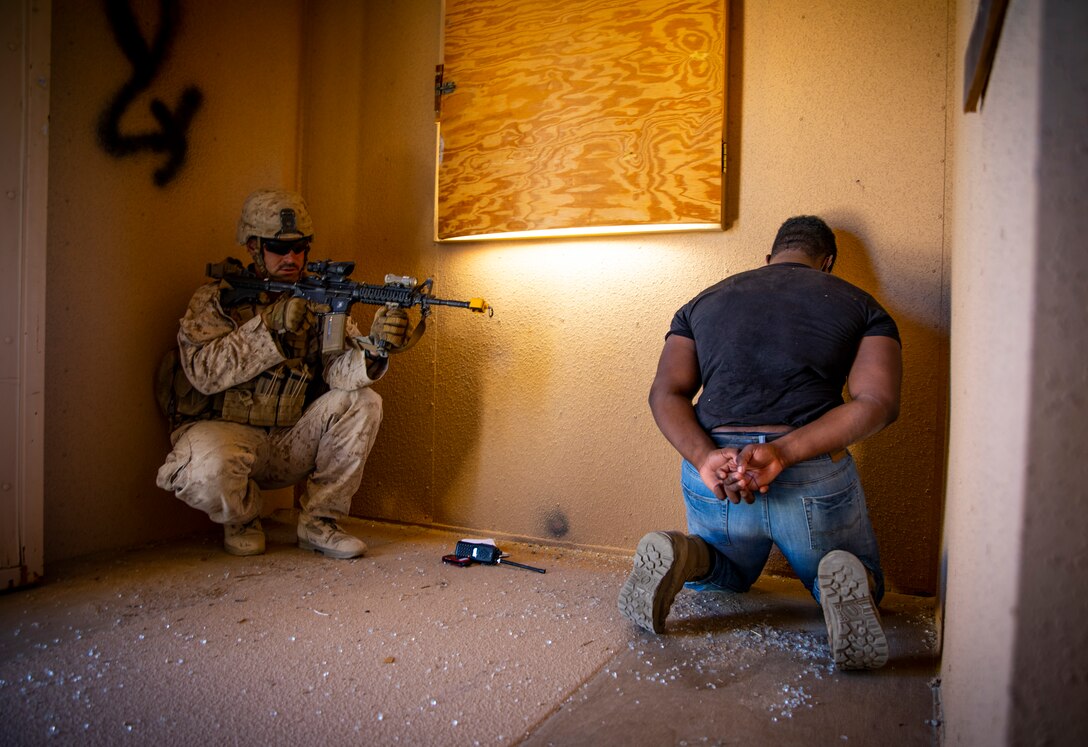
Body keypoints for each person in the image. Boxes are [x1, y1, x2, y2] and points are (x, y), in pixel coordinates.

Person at [618, 215, 902, 670]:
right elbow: (878, 403)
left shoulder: (700, 303)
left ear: (769, 258)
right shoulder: (863, 306)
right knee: (855, 574)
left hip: (717, 471)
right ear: (826, 263)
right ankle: (839, 571)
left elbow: (665, 393)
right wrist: (785, 451)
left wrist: (704, 456)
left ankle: (683, 553)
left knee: (725, 576)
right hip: (807, 469)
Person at [156, 189, 409, 559]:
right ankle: (242, 515)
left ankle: (320, 521)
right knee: (202, 471)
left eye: (300, 247)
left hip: (290, 437)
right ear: (254, 247)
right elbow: (204, 373)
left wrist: (377, 347)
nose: (291, 257)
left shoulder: (316, 296)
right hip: (228, 435)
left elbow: (339, 370)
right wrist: (269, 326)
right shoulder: (216, 300)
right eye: (278, 248)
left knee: (363, 401)